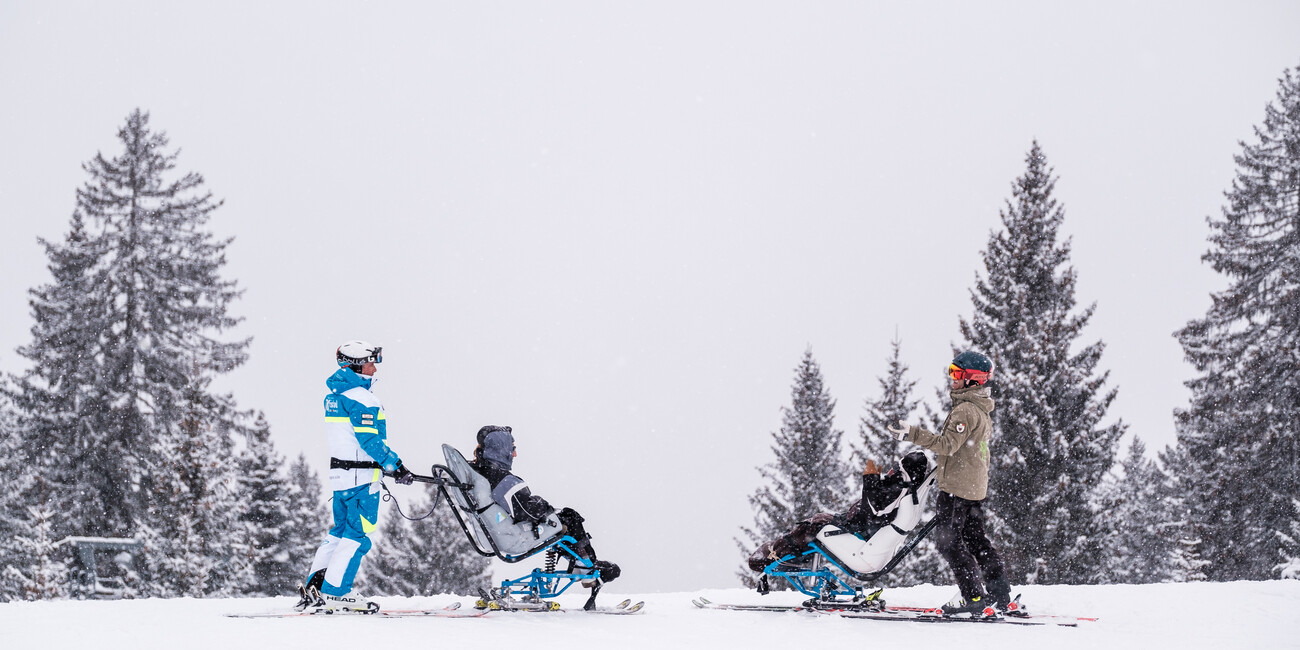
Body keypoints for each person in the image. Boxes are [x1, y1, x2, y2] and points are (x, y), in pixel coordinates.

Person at [886, 350, 1014, 617]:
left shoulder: (965, 410)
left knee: (949, 543)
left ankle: (973, 596)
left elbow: (947, 445)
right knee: (976, 539)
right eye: (951, 372)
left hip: (957, 489)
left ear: (972, 380)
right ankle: (1000, 593)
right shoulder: (980, 407)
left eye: (957, 374)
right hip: (974, 487)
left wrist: (912, 434)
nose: (951, 379)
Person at [295, 340, 414, 612]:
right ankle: (337, 593)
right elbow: (369, 441)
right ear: (356, 366)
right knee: (357, 535)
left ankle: (316, 586)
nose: (374, 368)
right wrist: (396, 465)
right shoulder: (362, 398)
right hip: (362, 478)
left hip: (341, 476)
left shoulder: (334, 397)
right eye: (371, 362)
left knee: (338, 532)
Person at [469, 425, 620, 591]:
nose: (515, 454)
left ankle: (583, 564)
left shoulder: (480, 472)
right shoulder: (502, 478)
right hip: (513, 538)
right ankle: (590, 569)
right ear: (502, 448)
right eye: (512, 448)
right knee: (569, 517)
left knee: (559, 524)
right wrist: (544, 505)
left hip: (493, 535)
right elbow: (525, 511)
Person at [745, 452, 930, 574]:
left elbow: (873, 511)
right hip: (856, 525)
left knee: (812, 526)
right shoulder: (903, 487)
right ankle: (788, 553)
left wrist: (870, 480)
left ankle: (772, 555)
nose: (891, 470)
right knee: (818, 519)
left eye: (896, 468)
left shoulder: (897, 486)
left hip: (858, 529)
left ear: (904, 471)